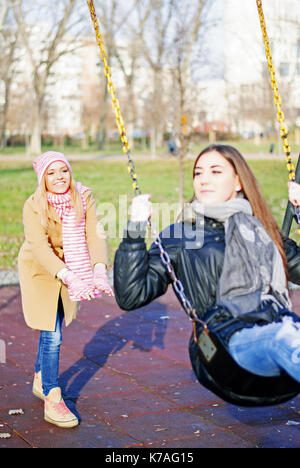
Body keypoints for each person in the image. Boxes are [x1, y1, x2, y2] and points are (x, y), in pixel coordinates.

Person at [114, 144, 300, 397]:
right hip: (222, 349)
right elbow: (131, 295)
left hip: (275, 336)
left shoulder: (262, 231)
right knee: (285, 336)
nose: (204, 180)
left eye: (215, 171)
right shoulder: (180, 236)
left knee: (286, 334)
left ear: (238, 181)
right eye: (198, 173)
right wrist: (135, 229)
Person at [18, 151, 113, 428]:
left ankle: (39, 374)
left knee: (54, 324)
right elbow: (39, 247)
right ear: (42, 178)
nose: (59, 177)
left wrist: (97, 268)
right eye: (51, 172)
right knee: (53, 334)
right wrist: (67, 275)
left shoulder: (83, 197)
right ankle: (52, 394)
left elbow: (94, 233)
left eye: (64, 171)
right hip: (42, 269)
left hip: (73, 263)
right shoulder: (33, 205)